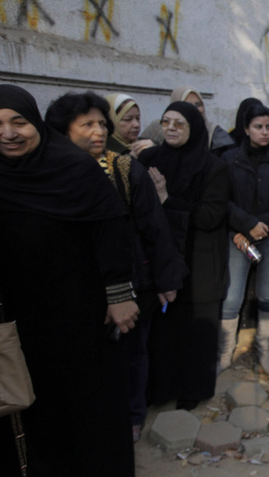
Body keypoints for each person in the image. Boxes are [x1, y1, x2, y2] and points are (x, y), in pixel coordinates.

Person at [0, 84, 138, 477]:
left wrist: (119, 296)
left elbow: (110, 232)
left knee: (73, 400)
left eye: (18, 122)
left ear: (36, 124)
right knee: (20, 399)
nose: (7, 133)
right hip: (11, 315)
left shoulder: (74, 170)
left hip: (74, 311)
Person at [44, 91, 185, 443]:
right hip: (74, 288)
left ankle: (133, 417)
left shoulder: (124, 168)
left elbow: (155, 227)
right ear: (63, 130)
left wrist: (166, 279)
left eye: (101, 124)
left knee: (133, 354)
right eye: (87, 124)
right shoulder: (46, 172)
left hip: (130, 283)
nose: (98, 132)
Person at [138, 101, 230, 410]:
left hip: (200, 261)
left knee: (196, 332)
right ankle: (161, 390)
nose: (172, 128)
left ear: (194, 128)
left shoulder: (213, 166)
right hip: (162, 260)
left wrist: (167, 199)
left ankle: (193, 391)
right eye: (166, 122)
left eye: (180, 123)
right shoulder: (150, 160)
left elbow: (210, 216)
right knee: (164, 334)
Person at [219, 102, 269, 375]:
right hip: (239, 235)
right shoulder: (230, 159)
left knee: (268, 294)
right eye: (258, 127)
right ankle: (225, 352)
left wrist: (263, 225)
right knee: (231, 297)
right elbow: (222, 200)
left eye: (268, 127)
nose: (264, 132)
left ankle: (264, 349)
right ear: (246, 129)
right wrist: (247, 225)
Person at [142, 86, 234, 153]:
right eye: (188, 105)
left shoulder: (214, 134)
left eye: (198, 104)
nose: (196, 110)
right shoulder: (158, 127)